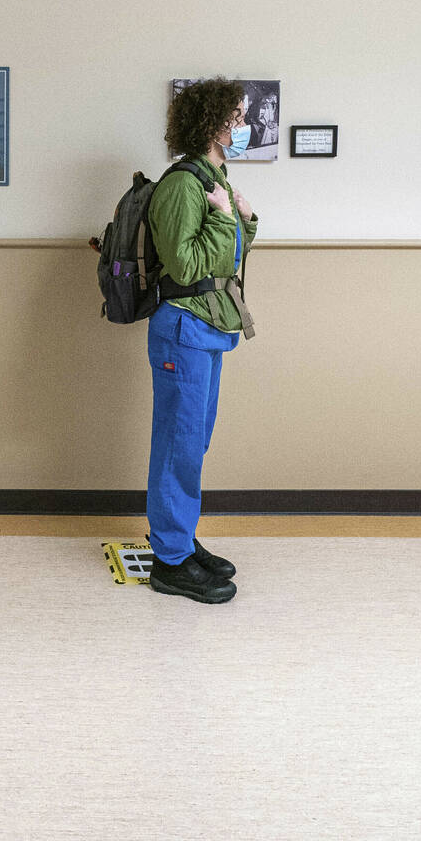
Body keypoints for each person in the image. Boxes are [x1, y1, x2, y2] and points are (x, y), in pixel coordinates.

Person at [144, 77, 258, 603]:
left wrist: (243, 220)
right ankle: (169, 562)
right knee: (178, 443)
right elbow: (186, 265)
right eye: (235, 118)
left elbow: (226, 259)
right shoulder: (181, 184)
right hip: (182, 328)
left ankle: (181, 542)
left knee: (195, 440)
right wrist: (222, 214)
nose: (242, 126)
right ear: (210, 123)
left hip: (208, 328)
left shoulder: (214, 179)